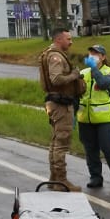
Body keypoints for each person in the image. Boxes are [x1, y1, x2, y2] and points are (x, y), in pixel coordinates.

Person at [39, 28, 86, 191]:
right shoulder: (56, 56)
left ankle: (54, 179)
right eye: (68, 39)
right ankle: (61, 180)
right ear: (59, 39)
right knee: (61, 143)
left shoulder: (51, 53)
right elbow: (56, 78)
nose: (71, 42)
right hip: (61, 104)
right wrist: (74, 75)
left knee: (55, 142)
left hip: (56, 103)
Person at [77, 44, 110, 189]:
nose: (93, 55)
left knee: (109, 147)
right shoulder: (83, 73)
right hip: (85, 118)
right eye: (91, 53)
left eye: (96, 53)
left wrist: (94, 69)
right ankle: (95, 177)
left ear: (103, 57)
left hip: (104, 118)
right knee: (90, 149)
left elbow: (105, 84)